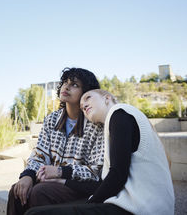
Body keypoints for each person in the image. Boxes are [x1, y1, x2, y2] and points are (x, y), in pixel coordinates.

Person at [26, 89, 175, 215]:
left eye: (88, 98)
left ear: (107, 98)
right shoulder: (119, 119)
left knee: (34, 214)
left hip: (142, 208)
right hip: (142, 204)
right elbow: (106, 182)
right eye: (82, 108)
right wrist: (62, 181)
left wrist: (90, 203)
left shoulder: (119, 113)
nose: (84, 106)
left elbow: (118, 175)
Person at [7, 68, 104, 215]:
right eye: (65, 82)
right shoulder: (52, 119)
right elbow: (39, 155)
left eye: (75, 85)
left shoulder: (95, 124)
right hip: (50, 182)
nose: (66, 86)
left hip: (77, 187)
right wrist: (27, 175)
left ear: (87, 93)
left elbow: (96, 171)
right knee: (17, 191)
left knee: (40, 192)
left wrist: (60, 172)